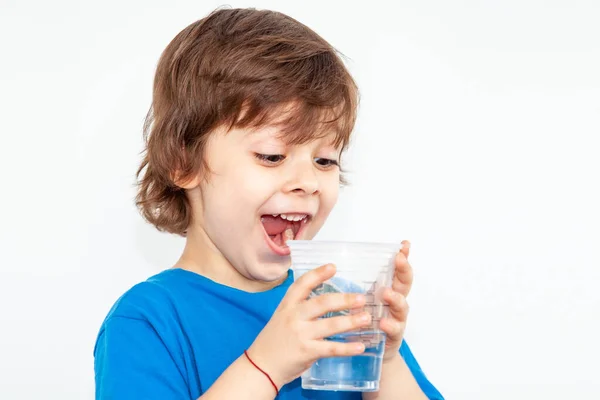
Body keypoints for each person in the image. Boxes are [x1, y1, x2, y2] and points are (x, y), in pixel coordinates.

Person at [93, 7, 444, 400]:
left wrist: (387, 358)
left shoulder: (340, 307)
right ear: (183, 163)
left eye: (325, 160)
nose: (308, 182)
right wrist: (267, 365)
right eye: (272, 156)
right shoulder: (149, 321)